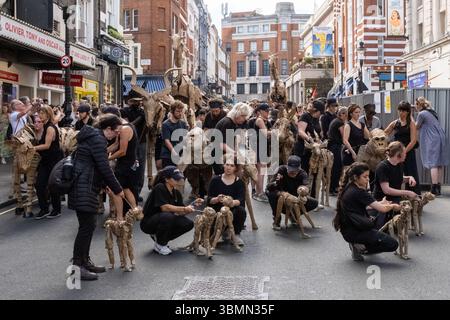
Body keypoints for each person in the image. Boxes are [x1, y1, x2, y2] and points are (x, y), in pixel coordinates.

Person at [69, 114, 124, 281]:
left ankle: (84, 261)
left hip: (85, 183)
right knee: (86, 227)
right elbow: (104, 167)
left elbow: (95, 166)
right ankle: (77, 267)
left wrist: (103, 183)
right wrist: (117, 188)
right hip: (84, 185)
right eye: (115, 132)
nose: (116, 135)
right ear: (107, 129)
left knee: (89, 225)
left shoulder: (93, 137)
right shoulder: (98, 140)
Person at [333, 163, 400, 262]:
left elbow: (368, 205)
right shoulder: (359, 192)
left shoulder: (349, 187)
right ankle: (361, 248)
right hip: (355, 231)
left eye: (368, 176)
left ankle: (359, 243)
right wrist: (394, 206)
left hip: (348, 230)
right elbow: (382, 209)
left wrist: (381, 203)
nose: (368, 179)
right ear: (356, 177)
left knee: (376, 216)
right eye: (365, 177)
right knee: (393, 244)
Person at [140, 166, 196, 256]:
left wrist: (192, 206)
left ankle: (161, 239)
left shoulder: (176, 193)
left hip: (164, 219)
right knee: (167, 216)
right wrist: (184, 209)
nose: (178, 180)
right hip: (148, 223)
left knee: (188, 224)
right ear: (166, 179)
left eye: (179, 178)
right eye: (175, 178)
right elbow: (164, 208)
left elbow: (181, 211)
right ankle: (160, 244)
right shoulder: (160, 187)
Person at [266, 156, 319, 231]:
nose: (292, 172)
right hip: (282, 197)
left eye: (295, 170)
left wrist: (303, 190)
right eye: (290, 170)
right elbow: (268, 187)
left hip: (295, 198)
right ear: (287, 165)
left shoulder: (302, 174)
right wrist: (279, 189)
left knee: (314, 202)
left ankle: (293, 215)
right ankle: (276, 220)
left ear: (299, 167)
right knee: (271, 194)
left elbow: (306, 186)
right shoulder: (281, 170)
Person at [33, 105, 64, 219]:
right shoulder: (46, 126)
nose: (39, 115)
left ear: (48, 114)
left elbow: (47, 145)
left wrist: (33, 148)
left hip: (53, 161)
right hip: (45, 161)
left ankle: (56, 209)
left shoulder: (50, 128)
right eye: (39, 112)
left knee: (52, 185)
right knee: (40, 185)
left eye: (42, 113)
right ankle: (44, 209)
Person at [207, 158, 247, 246]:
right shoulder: (215, 180)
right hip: (217, 208)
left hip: (232, 209)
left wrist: (232, 202)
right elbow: (209, 199)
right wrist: (216, 199)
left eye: (232, 166)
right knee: (214, 213)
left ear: (235, 168)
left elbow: (241, 199)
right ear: (223, 165)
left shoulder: (239, 182)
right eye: (227, 165)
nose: (229, 168)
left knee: (241, 210)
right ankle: (219, 232)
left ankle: (235, 234)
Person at [384, 101, 420, 195]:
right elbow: (384, 134)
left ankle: (414, 197)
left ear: (408, 112)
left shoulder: (411, 123)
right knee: (395, 173)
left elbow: (413, 141)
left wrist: (404, 152)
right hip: (396, 153)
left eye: (404, 111)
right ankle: (395, 195)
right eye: (400, 110)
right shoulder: (395, 123)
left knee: (411, 173)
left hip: (408, 152)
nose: (401, 113)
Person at [415, 97, 449, 196]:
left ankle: (434, 189)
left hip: (432, 139)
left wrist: (412, 118)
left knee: (433, 163)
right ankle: (438, 187)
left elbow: (416, 126)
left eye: (416, 105)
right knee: (439, 163)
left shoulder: (421, 114)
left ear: (419, 105)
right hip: (441, 137)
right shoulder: (432, 111)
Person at [108, 115, 140, 216]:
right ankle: (135, 211)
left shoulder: (124, 129)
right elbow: (117, 144)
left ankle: (120, 217)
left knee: (118, 190)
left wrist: (107, 158)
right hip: (126, 163)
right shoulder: (123, 128)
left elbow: (122, 151)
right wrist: (103, 151)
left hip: (127, 164)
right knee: (125, 188)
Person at [214, 102, 252, 174]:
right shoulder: (228, 123)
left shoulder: (233, 123)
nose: (244, 119)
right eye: (243, 116)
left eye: (245, 116)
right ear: (237, 113)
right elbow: (220, 143)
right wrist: (235, 153)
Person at [121, 97, 147, 201]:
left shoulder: (143, 112)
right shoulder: (124, 111)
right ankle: (128, 191)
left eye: (138, 101)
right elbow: (128, 124)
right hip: (128, 141)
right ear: (130, 101)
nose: (136, 103)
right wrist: (141, 117)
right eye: (134, 101)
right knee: (129, 166)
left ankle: (137, 191)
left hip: (141, 142)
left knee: (140, 168)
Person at [295, 100, 324, 173]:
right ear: (315, 110)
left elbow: (318, 131)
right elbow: (300, 131)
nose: (320, 114)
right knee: (304, 170)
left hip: (314, 148)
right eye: (320, 112)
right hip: (303, 148)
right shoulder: (305, 116)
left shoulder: (316, 118)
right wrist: (309, 139)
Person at [160, 101, 189, 168]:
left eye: (181, 111)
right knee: (169, 176)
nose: (180, 113)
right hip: (168, 155)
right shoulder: (166, 124)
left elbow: (185, 138)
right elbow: (167, 141)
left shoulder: (183, 123)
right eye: (178, 111)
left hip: (181, 154)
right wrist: (174, 152)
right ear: (172, 111)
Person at [327, 107, 348, 195]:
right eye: (345, 114)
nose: (346, 116)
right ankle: (333, 188)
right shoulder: (340, 123)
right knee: (336, 167)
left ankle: (332, 187)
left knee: (335, 167)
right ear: (341, 114)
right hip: (336, 147)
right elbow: (344, 136)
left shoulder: (335, 120)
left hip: (332, 146)